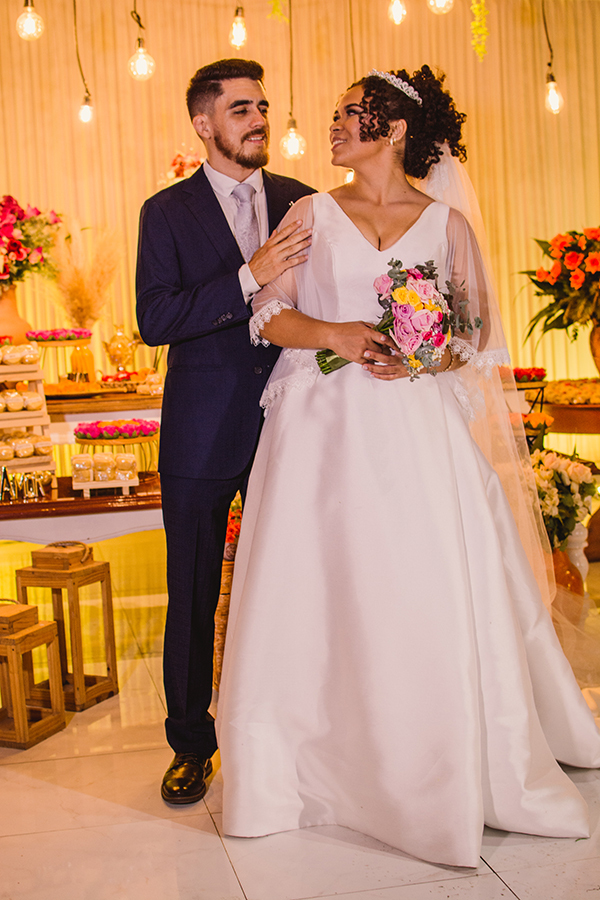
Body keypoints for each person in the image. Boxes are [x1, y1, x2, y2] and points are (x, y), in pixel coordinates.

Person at [216, 66, 600, 867]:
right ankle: (308, 771)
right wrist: (337, 335)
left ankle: (437, 761)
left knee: (420, 581)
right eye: (334, 115)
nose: (332, 126)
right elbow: (268, 313)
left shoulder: (446, 224)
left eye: (349, 114)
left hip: (416, 428)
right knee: (320, 586)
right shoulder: (309, 213)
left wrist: (426, 354)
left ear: (392, 130)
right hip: (321, 433)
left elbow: (474, 333)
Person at [136, 58, 315, 805]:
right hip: (201, 433)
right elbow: (156, 319)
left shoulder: (303, 201)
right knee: (192, 592)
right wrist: (250, 274)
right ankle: (189, 744)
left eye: (262, 107)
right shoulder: (165, 212)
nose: (259, 120)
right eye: (241, 109)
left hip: (295, 426)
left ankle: (296, 735)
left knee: (298, 583)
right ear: (204, 123)